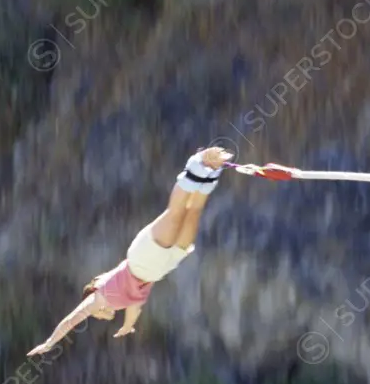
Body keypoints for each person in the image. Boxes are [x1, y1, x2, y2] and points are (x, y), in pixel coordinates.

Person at [26, 146, 231, 354]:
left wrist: (50, 343)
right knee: (193, 212)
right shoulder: (124, 301)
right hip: (163, 264)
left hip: (143, 259)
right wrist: (127, 326)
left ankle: (196, 164)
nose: (99, 318)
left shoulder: (100, 299)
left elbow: (71, 320)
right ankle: (209, 172)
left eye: (96, 316)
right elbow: (135, 309)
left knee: (175, 214)